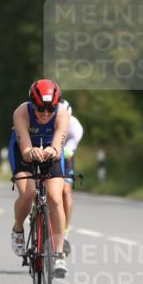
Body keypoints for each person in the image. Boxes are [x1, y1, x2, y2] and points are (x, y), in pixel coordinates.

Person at [9, 79, 69, 278]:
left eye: (50, 109)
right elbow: (25, 150)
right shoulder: (21, 112)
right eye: (40, 108)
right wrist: (31, 151)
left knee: (55, 197)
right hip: (24, 151)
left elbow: (58, 148)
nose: (45, 113)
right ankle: (18, 228)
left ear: (56, 106)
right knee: (28, 193)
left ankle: (59, 253)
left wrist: (52, 150)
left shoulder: (62, 113)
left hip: (50, 152)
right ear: (32, 104)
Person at [59, 100, 83, 254]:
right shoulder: (49, 120)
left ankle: (65, 231)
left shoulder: (75, 127)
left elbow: (67, 153)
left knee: (66, 192)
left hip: (65, 156)